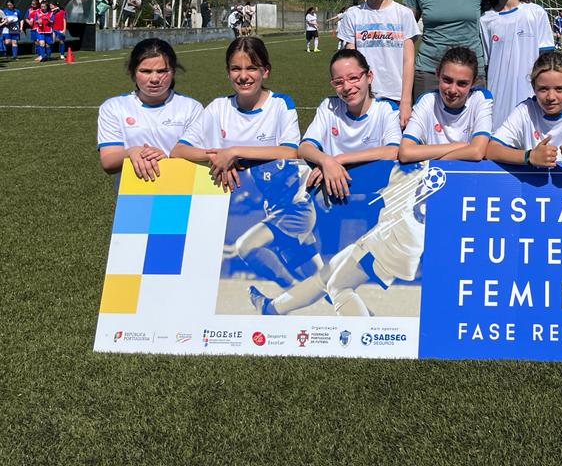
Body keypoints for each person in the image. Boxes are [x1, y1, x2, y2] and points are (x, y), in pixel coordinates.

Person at [246, 48, 402, 318]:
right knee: (330, 277)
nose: (347, 87)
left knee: (333, 278)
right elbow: (305, 147)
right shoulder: (329, 107)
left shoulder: (386, 109)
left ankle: (276, 308)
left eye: (354, 78)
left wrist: (337, 159)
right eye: (339, 81)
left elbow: (392, 152)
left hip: (373, 209)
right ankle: (366, 324)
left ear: (369, 76)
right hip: (333, 204)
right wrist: (325, 162)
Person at [171, 36, 299, 191]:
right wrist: (216, 156)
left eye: (251, 68)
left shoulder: (281, 104)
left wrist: (234, 152)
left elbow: (291, 152)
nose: (243, 76)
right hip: (224, 194)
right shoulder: (218, 107)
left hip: (269, 193)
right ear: (228, 72)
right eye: (236, 69)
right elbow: (178, 150)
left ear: (265, 71)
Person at [97, 38, 203, 184]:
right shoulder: (113, 107)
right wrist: (131, 152)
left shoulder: (191, 108)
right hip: (135, 195)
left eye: (162, 71)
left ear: (173, 71)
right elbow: (108, 162)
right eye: (146, 71)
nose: (154, 78)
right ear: (132, 72)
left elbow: (198, 158)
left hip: (180, 191)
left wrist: (165, 159)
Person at [338, 0, 419, 127]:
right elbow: (350, 61)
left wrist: (406, 101)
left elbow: (408, 61)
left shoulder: (404, 14)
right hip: (364, 97)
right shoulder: (353, 15)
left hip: (396, 98)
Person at [479, 0, 556, 126]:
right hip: (498, 99)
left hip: (531, 97)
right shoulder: (486, 20)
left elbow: (547, 60)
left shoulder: (535, 13)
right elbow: (487, 64)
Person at [399, 46, 493, 163]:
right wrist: (463, 146)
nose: (453, 90)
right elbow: (405, 153)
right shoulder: (427, 101)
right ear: (437, 74)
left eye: (462, 83)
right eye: (447, 80)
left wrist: (437, 159)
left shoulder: (481, 98)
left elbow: (477, 152)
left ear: (473, 83)